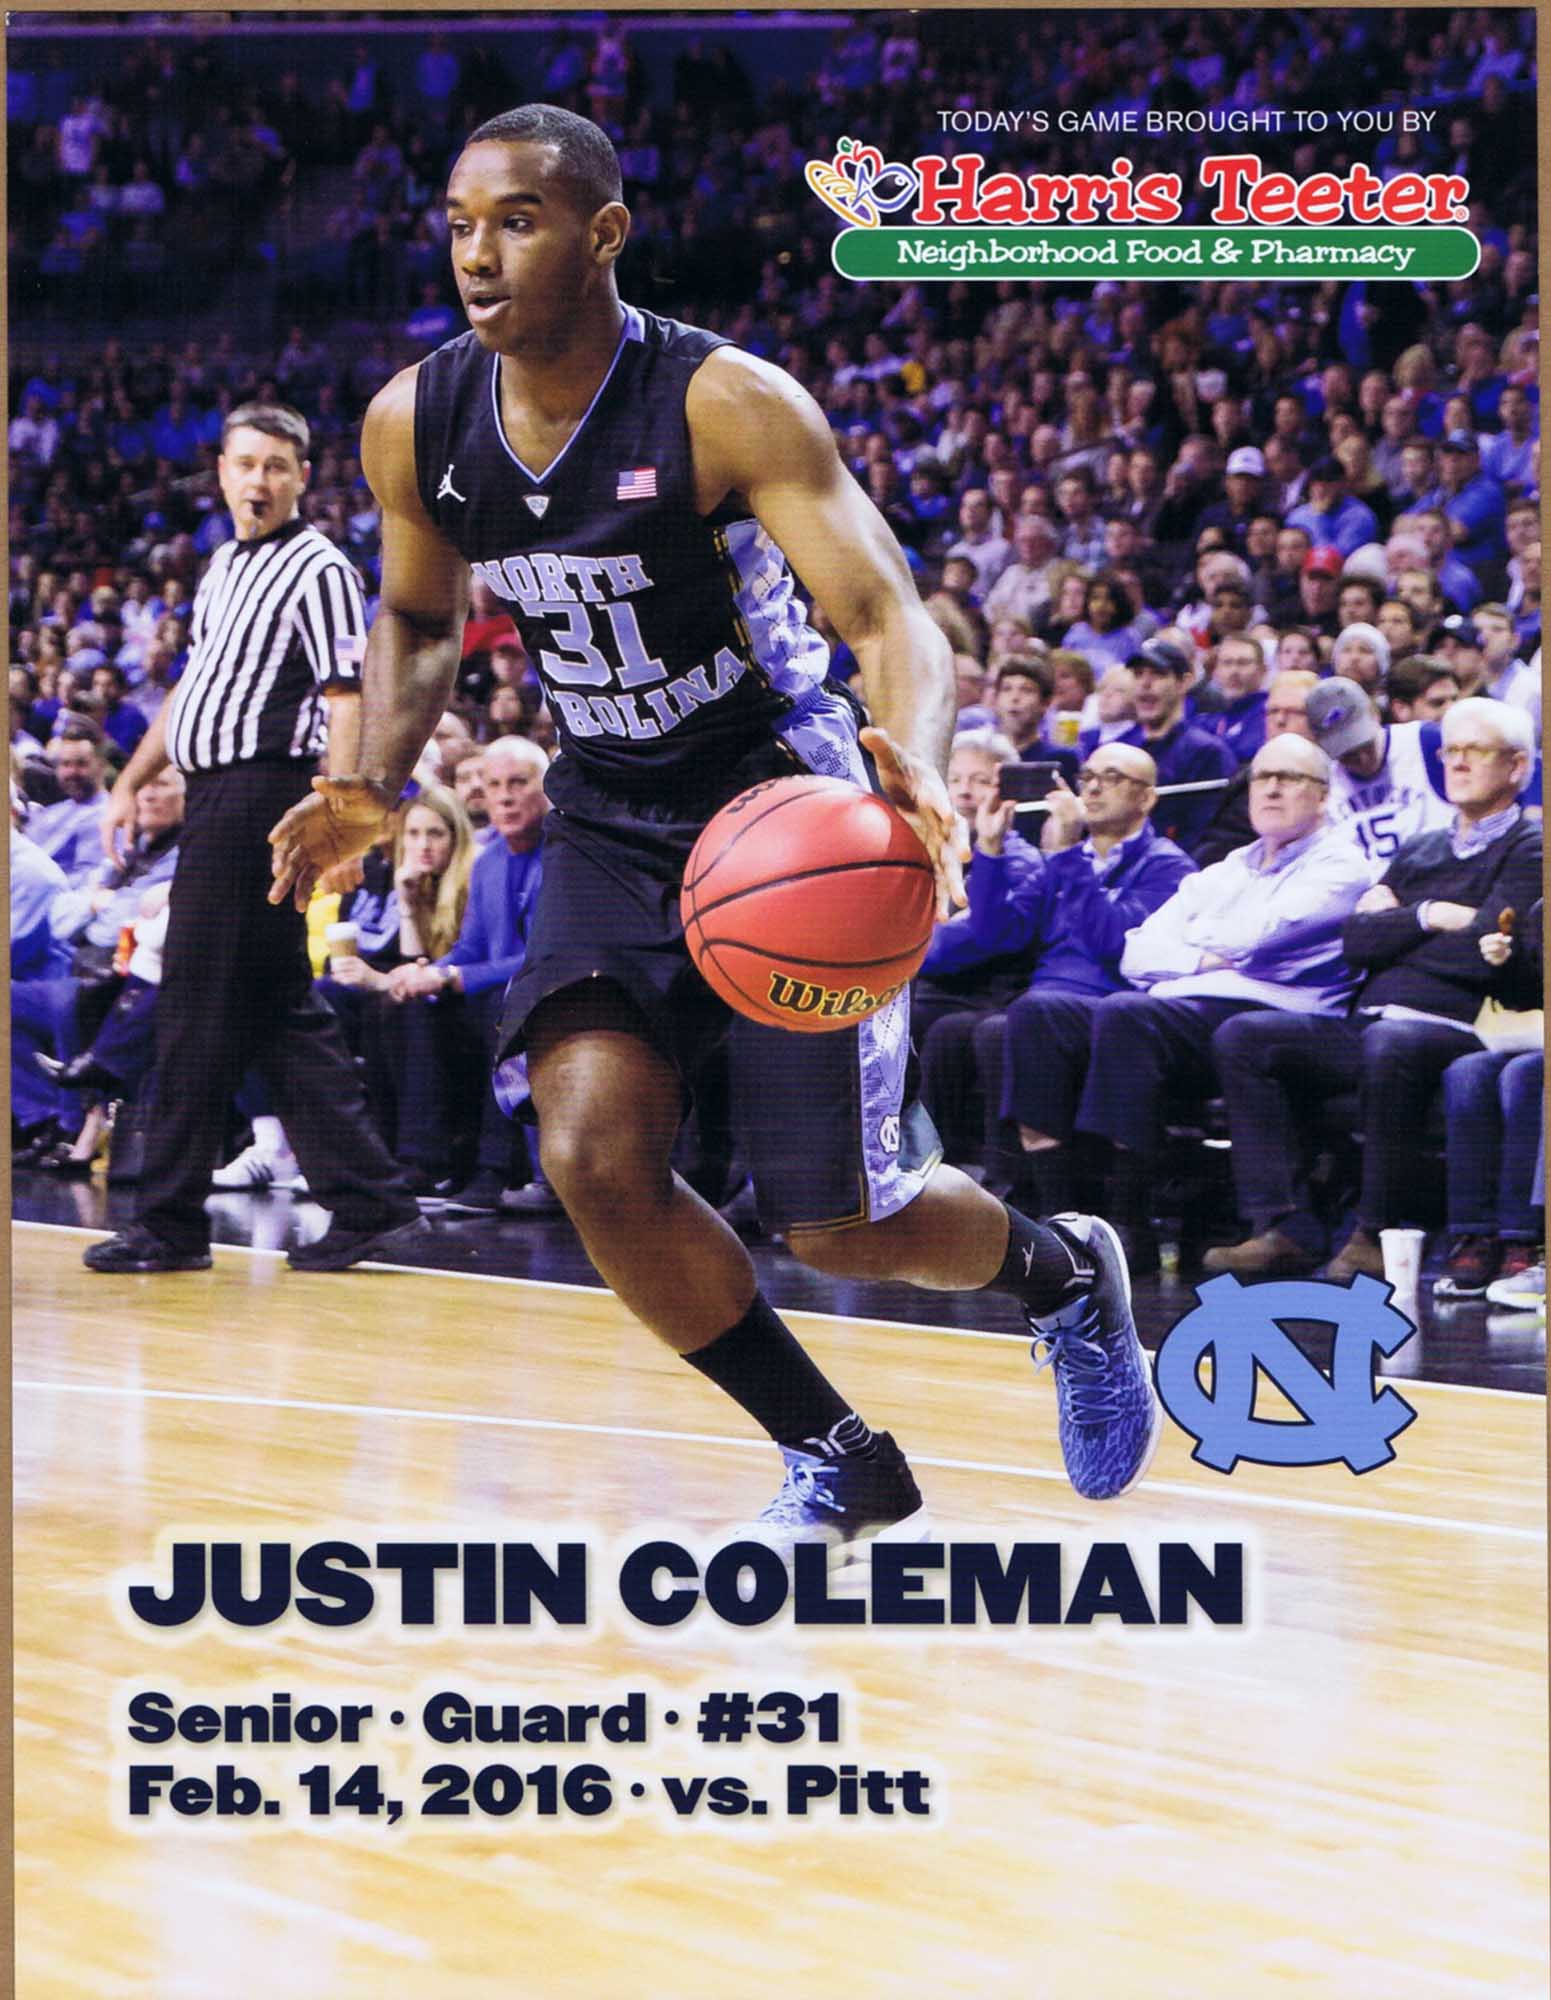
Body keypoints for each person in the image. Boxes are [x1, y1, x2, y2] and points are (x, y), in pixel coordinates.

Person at [268, 102, 1161, 1553]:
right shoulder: (413, 422)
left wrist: (919, 767)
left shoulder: (723, 400)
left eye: (518, 222)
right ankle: (836, 1454)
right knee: (589, 1156)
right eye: (460, 226)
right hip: (609, 814)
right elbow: (420, 619)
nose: (478, 256)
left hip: (783, 810)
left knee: (839, 1222)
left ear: (603, 234)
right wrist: (373, 777)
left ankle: (1063, 1275)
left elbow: (887, 615)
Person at [82, 402, 423, 1275]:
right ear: (222, 472)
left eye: (277, 466)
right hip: (212, 798)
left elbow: (345, 698)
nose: (259, 480)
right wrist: (128, 780)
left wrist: (338, 821)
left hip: (261, 799)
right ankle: (372, 1202)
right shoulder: (223, 565)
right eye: (245, 464)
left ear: (302, 477)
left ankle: (168, 1223)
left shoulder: (319, 566)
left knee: (193, 1006)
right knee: (276, 1010)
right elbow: (192, 687)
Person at [1207, 700, 1542, 1279]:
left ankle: (1375, 1232)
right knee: (1245, 1037)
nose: (1457, 762)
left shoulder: (1530, 847)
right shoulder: (1421, 848)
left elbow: (1486, 950)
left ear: (1516, 767)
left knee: (1392, 1044)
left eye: (1475, 751)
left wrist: (1400, 922)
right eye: (1451, 750)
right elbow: (1357, 941)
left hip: (1461, 1027)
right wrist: (1430, 915)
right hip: (1370, 1020)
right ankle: (1284, 1225)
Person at [1061, 736, 1373, 1267]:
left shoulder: (1342, 865)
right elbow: (1137, 952)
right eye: (1262, 777)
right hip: (1196, 1009)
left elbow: (1257, 936)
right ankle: (1115, 1219)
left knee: (1158, 1021)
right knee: (1096, 1014)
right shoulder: (1229, 867)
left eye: (1289, 778)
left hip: (1288, 1014)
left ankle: (1261, 1224)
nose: (1271, 788)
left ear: (1323, 796)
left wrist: (1197, 941)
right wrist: (1207, 959)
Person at [1304, 678, 1455, 868]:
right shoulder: (1325, 781)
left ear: (1375, 714)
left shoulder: (1426, 742)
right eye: (1347, 754)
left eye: (1365, 744)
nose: (1362, 759)